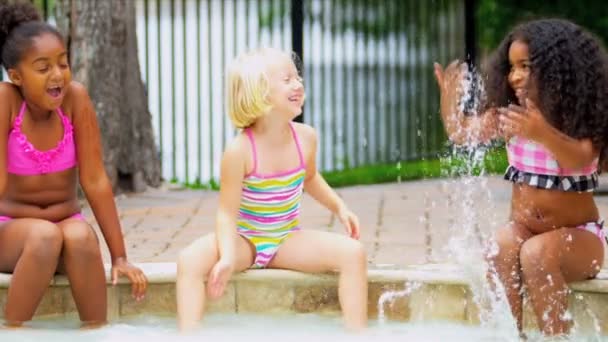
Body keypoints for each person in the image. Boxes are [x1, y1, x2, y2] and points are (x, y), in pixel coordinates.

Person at [434, 18, 608, 337]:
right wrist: (449, 101)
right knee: (499, 247)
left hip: (580, 239)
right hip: (524, 230)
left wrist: (540, 133)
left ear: (558, 68)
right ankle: (510, 335)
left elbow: (580, 157)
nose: (514, 76)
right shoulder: (508, 116)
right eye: (511, 67)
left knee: (536, 254)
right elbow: (462, 134)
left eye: (525, 66)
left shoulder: (576, 120)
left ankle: (556, 337)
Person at [176, 47, 367, 332]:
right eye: (287, 79)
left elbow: (310, 178)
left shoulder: (306, 138)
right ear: (260, 93)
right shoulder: (239, 150)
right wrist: (227, 256)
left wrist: (340, 207)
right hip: (246, 241)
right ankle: (189, 334)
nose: (298, 83)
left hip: (286, 239)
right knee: (188, 260)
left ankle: (358, 333)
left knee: (354, 254)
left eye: (298, 77)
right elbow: (226, 215)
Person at [0, 1, 147, 327]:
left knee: (80, 236)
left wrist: (120, 256)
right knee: (44, 237)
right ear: (16, 77)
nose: (57, 75)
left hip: (65, 223)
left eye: (63, 63)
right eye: (43, 68)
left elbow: (95, 181)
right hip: (10, 230)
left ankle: (96, 331)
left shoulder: (76, 99)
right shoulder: (5, 102)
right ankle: (11, 332)